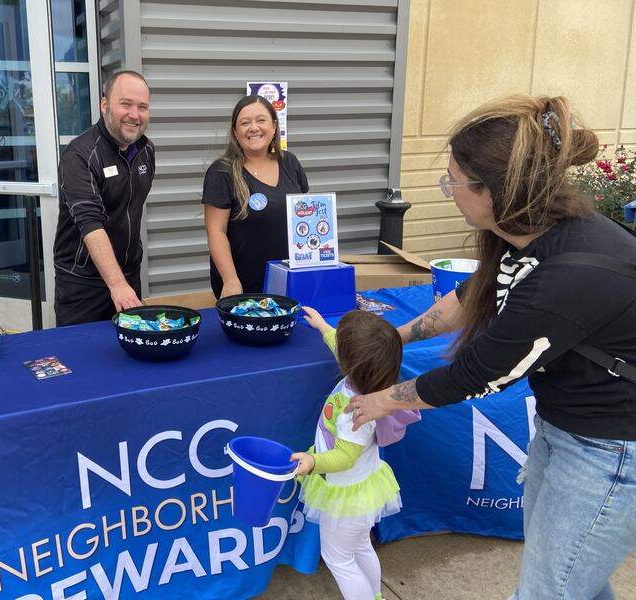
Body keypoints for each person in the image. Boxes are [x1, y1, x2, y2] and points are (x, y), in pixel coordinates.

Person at [346, 95, 636, 600]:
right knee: (575, 584)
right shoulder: (529, 233)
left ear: (493, 192)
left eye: (454, 181)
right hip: (565, 426)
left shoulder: (569, 275)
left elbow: (475, 375)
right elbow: (471, 294)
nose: (449, 192)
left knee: (549, 592)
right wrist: (395, 336)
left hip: (611, 449)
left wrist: (382, 400)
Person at [290, 306, 410, 600]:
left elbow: (345, 456)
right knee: (360, 547)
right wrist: (323, 327)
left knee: (338, 559)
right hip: (364, 488)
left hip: (346, 497)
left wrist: (314, 461)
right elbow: (342, 350)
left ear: (350, 364)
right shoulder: (372, 383)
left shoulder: (355, 412)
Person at [53, 70, 154, 326]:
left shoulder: (146, 150)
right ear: (104, 105)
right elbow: (90, 223)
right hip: (82, 284)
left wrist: (124, 280)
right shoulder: (80, 155)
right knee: (81, 358)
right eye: (126, 104)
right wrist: (117, 284)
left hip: (128, 275)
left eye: (142, 107)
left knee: (131, 356)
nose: (135, 114)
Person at [202, 95, 308, 298]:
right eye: (244, 122)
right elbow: (216, 232)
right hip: (245, 287)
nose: (253, 127)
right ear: (235, 131)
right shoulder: (222, 172)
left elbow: (306, 220)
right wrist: (231, 281)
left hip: (289, 282)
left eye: (261, 120)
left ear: (274, 126)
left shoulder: (290, 163)